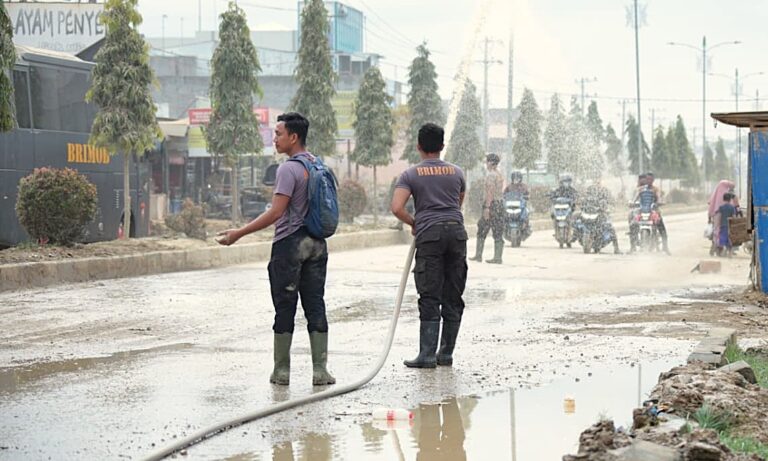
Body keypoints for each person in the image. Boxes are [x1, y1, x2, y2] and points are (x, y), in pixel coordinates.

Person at [216, 112, 335, 386]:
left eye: (278, 134)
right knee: (315, 304)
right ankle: (320, 371)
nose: (275, 139)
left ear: (294, 137)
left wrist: (238, 233)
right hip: (317, 244)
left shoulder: (288, 169)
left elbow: (276, 212)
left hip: (290, 245)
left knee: (285, 307)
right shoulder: (319, 165)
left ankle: (282, 371)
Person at [391, 123, 468, 368]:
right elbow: (458, 202)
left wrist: (415, 222)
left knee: (430, 295)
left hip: (430, 236)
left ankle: (426, 355)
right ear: (442, 146)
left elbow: (396, 208)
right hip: (457, 234)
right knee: (453, 295)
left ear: (418, 146)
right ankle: (446, 354)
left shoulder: (410, 175)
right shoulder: (457, 172)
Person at [469, 153, 505, 264]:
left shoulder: (491, 175)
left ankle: (478, 255)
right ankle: (498, 257)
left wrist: (487, 208)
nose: (486, 164)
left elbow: (490, 191)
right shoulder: (500, 175)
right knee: (498, 230)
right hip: (499, 204)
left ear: (491, 163)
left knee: (482, 228)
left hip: (492, 204)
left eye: (487, 161)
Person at [707, 180, 740, 255]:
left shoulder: (716, 194)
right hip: (727, 224)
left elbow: (711, 207)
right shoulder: (729, 197)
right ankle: (726, 250)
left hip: (718, 221)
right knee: (728, 237)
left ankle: (716, 248)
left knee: (717, 234)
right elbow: (735, 209)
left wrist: (710, 219)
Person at [714, 192, 737, 257]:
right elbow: (734, 217)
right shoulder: (732, 207)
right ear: (730, 199)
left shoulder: (721, 207)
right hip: (730, 226)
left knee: (722, 239)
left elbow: (719, 217)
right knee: (729, 239)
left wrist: (717, 225)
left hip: (723, 226)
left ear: (723, 199)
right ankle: (730, 253)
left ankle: (721, 252)